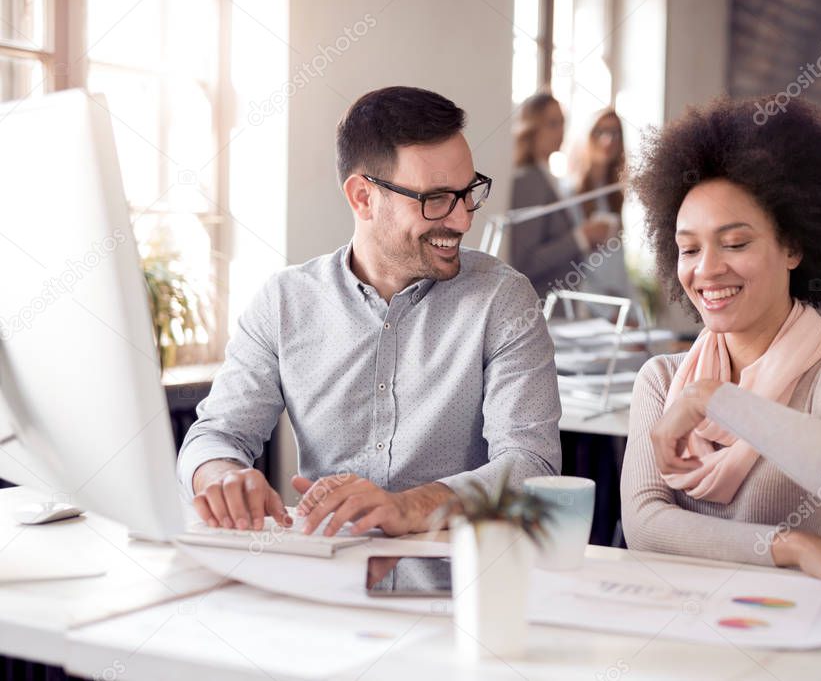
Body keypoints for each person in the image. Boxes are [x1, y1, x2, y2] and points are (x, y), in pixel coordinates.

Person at [179, 86, 561, 538]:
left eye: (467, 192)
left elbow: (531, 466)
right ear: (362, 197)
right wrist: (221, 475)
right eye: (435, 199)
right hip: (323, 587)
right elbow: (215, 435)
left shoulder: (503, 301)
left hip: (457, 593)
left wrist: (409, 506)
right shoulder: (284, 303)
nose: (462, 219)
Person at [621, 96, 821, 596]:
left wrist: (716, 400)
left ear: (793, 247)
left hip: (801, 639)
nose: (706, 269)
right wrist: (788, 545)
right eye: (689, 249)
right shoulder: (662, 380)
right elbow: (646, 529)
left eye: (734, 243)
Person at [508, 92, 611, 297]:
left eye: (563, 122)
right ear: (532, 128)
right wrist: (581, 237)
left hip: (562, 307)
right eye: (552, 124)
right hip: (541, 307)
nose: (561, 131)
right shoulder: (529, 180)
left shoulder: (549, 177)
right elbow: (524, 262)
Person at [567, 108, 634, 302]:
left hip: (617, 302)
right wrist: (607, 310)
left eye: (615, 133)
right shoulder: (571, 193)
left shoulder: (614, 194)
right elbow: (576, 266)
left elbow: (619, 261)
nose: (608, 140)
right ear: (588, 135)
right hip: (588, 307)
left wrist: (630, 307)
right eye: (600, 132)